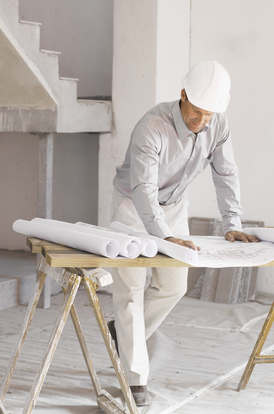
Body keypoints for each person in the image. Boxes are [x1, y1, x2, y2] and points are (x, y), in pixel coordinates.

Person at [108, 60, 258, 406]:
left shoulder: (217, 124)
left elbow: (226, 174)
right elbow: (143, 189)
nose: (201, 121)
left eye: (208, 115)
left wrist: (232, 223)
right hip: (133, 207)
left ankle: (125, 334)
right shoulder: (152, 126)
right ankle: (135, 379)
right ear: (182, 95)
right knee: (130, 291)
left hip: (175, 208)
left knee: (174, 285)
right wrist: (163, 236)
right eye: (196, 111)